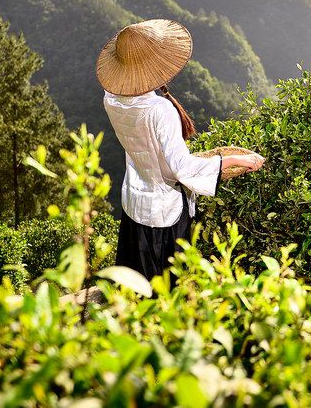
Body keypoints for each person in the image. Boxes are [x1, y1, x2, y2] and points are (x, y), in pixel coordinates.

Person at [97, 18, 265, 280]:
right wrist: (234, 160)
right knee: (166, 285)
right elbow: (181, 168)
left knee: (135, 284)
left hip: (134, 201)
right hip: (163, 213)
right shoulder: (159, 109)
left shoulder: (111, 99)